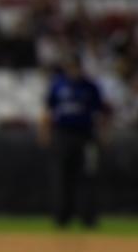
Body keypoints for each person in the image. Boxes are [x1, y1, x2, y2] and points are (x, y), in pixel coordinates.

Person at [40, 52, 109, 228]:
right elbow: (49, 111)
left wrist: (103, 134)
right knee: (62, 176)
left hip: (85, 136)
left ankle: (88, 217)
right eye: (70, 67)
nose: (73, 70)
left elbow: (100, 113)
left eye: (76, 67)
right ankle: (62, 217)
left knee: (87, 176)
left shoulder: (90, 87)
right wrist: (45, 133)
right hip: (63, 134)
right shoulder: (58, 85)